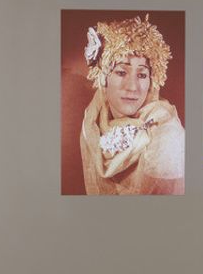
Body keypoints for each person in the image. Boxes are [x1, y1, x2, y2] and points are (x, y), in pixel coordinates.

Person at [78, 14, 185, 195]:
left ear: (152, 81)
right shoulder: (93, 121)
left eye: (142, 75)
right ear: (104, 77)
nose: (132, 87)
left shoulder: (166, 132)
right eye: (121, 72)